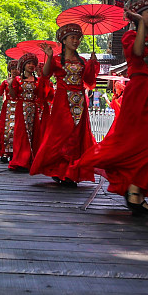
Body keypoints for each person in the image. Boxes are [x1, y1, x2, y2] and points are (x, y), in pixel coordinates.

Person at [77, 0, 148, 216]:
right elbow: (136, 55)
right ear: (138, 16)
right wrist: (138, 24)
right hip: (141, 94)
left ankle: (138, 193)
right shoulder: (131, 36)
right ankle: (135, 191)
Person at [30, 24, 99, 187]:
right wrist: (48, 56)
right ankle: (58, 168)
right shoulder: (55, 60)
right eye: (72, 38)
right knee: (60, 136)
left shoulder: (82, 61)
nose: (76, 41)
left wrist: (93, 64)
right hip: (62, 101)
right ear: (64, 40)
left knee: (76, 136)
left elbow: (89, 81)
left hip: (80, 101)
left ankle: (70, 172)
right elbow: (46, 74)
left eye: (78, 38)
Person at [9, 53, 46, 172]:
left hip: (34, 108)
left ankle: (31, 160)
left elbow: (41, 96)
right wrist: (10, 85)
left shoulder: (38, 80)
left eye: (33, 64)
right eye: (29, 63)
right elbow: (13, 96)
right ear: (24, 65)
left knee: (34, 133)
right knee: (21, 133)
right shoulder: (18, 79)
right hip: (21, 108)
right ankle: (20, 160)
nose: (31, 65)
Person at [0, 61, 19, 163]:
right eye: (12, 69)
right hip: (8, 107)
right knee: (6, 129)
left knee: (16, 130)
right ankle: (5, 152)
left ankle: (15, 152)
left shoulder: (23, 81)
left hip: (19, 106)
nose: (14, 71)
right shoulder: (5, 82)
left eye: (16, 68)